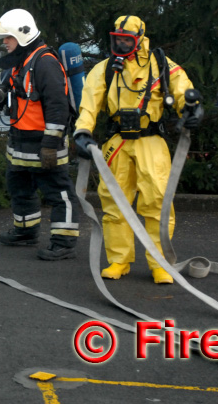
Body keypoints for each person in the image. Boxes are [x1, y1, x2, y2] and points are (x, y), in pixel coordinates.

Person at [73, 15, 203, 284]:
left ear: (139, 39)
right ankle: (119, 260)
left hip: (150, 140)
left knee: (157, 202)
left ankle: (160, 263)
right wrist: (83, 131)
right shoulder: (105, 69)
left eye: (126, 40)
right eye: (116, 39)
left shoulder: (160, 65)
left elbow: (183, 89)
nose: (120, 44)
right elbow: (89, 103)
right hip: (117, 141)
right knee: (113, 202)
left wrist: (192, 108)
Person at [0, 8, 80, 260]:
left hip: (43, 144)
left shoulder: (45, 63)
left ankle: (64, 243)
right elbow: (4, 78)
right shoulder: (23, 61)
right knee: (19, 187)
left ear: (22, 35)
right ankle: (26, 231)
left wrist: (51, 143)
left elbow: (57, 107)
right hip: (20, 143)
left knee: (59, 193)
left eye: (8, 38)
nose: (5, 43)